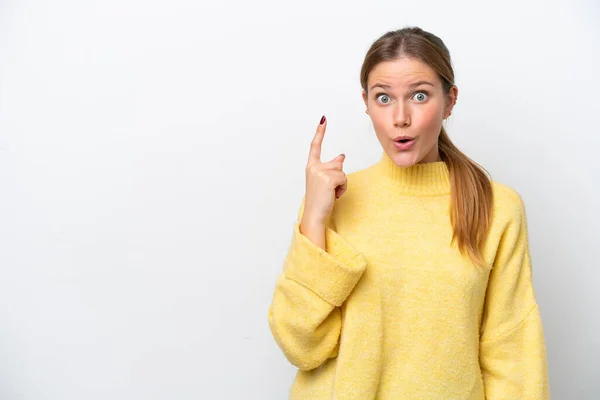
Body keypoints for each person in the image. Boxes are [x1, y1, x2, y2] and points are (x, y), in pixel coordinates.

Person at [267, 26, 549, 400]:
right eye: (383, 98)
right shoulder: (332, 200)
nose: (400, 117)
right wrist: (314, 221)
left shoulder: (497, 208)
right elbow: (301, 346)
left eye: (419, 95)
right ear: (366, 104)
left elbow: (513, 357)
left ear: (450, 101)